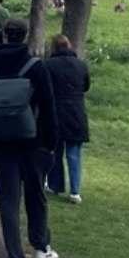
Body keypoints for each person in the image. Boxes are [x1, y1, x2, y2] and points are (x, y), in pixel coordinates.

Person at [0, 19, 60, 258]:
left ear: (4, 35)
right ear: (25, 36)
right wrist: (50, 143)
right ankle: (40, 246)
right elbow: (48, 107)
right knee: (36, 194)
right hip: (33, 142)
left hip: (1, 145)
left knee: (8, 200)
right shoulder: (36, 67)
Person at [44, 34, 91, 204]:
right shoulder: (81, 65)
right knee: (74, 154)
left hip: (55, 111)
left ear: (54, 48)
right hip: (76, 112)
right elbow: (86, 86)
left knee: (55, 151)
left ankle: (55, 184)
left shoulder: (48, 65)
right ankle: (75, 191)